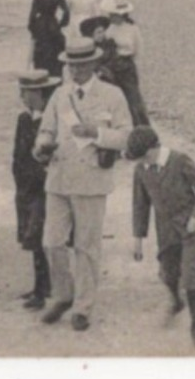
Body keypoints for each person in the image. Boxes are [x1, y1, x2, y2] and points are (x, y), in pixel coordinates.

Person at [33, 38, 135, 331]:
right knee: (51, 242)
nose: (76, 70)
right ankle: (63, 294)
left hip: (91, 179)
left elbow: (127, 136)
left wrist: (97, 133)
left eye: (82, 65)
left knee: (86, 247)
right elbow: (46, 129)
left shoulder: (112, 96)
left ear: (94, 64)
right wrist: (42, 146)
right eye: (71, 65)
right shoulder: (59, 95)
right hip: (59, 177)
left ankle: (82, 308)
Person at [128, 125, 195, 352]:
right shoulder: (141, 169)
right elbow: (140, 204)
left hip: (190, 228)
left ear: (155, 147)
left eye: (145, 156)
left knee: (193, 277)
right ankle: (176, 299)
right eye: (140, 159)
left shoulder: (179, 160)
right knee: (169, 273)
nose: (144, 161)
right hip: (165, 230)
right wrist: (138, 237)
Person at [12, 69, 59, 310]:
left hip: (43, 189)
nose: (22, 96)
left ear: (38, 94)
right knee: (32, 238)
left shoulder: (49, 123)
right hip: (26, 189)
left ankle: (42, 291)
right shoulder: (24, 119)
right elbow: (18, 157)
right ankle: (41, 285)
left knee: (39, 238)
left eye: (26, 92)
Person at [102, 0, 148, 126]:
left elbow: (138, 48)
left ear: (120, 15)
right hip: (113, 65)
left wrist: (130, 62)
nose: (110, 17)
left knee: (133, 97)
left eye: (113, 15)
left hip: (127, 65)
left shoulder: (132, 28)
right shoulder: (110, 29)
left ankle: (140, 126)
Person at [27, 0, 70, 79]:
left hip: (41, 25)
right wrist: (61, 24)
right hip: (53, 24)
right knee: (57, 49)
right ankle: (56, 74)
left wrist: (33, 28)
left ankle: (42, 74)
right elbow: (66, 11)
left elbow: (32, 15)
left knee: (40, 51)